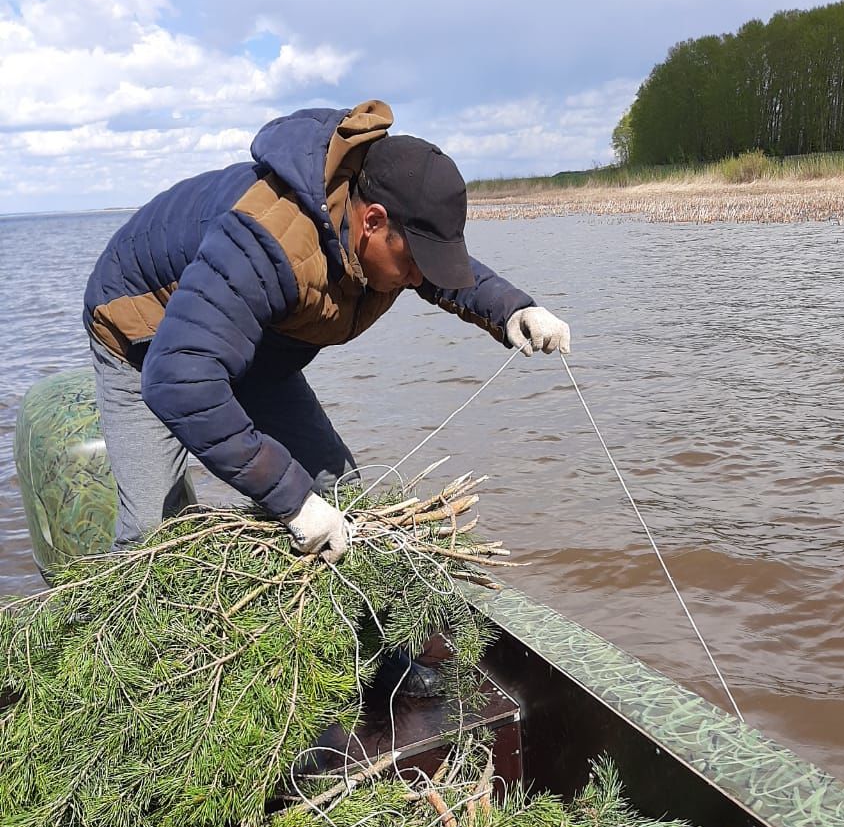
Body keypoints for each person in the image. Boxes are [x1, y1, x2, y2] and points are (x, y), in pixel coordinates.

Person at [83, 99, 571, 566]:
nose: (420, 279)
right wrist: (291, 501)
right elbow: (179, 381)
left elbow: (440, 271)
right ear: (373, 221)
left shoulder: (380, 236)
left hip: (257, 342)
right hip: (142, 330)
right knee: (152, 533)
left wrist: (513, 311)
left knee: (341, 495)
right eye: (414, 263)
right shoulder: (266, 242)